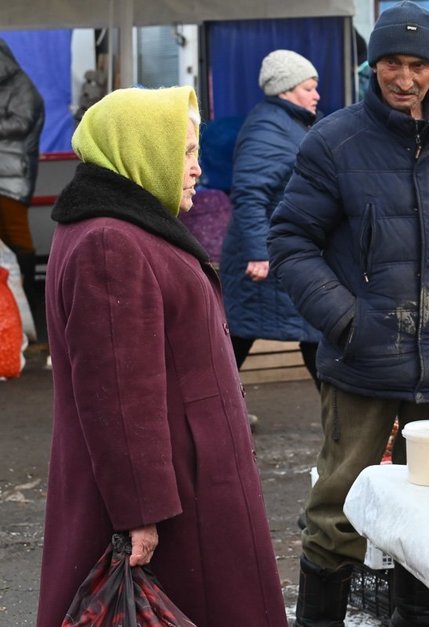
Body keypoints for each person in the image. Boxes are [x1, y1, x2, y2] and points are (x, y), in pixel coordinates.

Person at [266, 2, 429, 626]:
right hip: (364, 360)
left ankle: (417, 615)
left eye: (419, 65)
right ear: (373, 65)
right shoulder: (334, 140)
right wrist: (348, 320)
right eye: (392, 64)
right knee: (337, 506)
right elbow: (291, 241)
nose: (405, 79)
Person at [36, 87, 287, 627]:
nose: (197, 169)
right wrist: (140, 516)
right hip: (172, 500)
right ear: (143, 151)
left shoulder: (120, 227)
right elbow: (120, 395)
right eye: (187, 152)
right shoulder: (110, 241)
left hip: (184, 480)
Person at [220, 50, 323, 396]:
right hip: (264, 259)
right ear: (286, 90)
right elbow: (249, 193)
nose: (316, 95)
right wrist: (257, 253)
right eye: (309, 88)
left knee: (309, 336)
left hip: (279, 253)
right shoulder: (269, 127)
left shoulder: (286, 124)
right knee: (239, 340)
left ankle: (211, 413)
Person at [0, 40, 44, 327]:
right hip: (6, 170)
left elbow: (22, 122)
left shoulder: (21, 86)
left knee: (16, 235)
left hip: (13, 174)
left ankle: (29, 295)